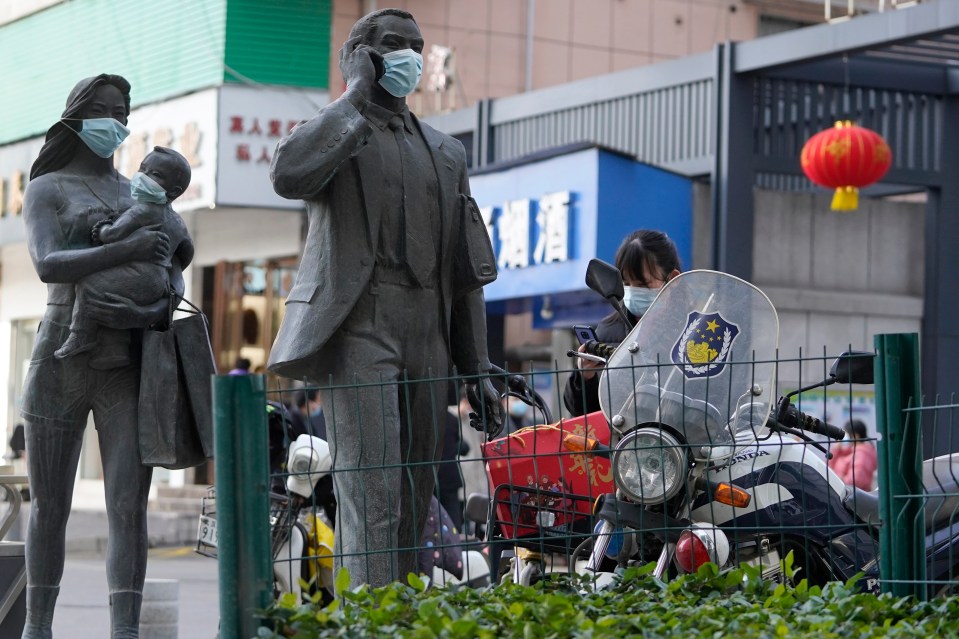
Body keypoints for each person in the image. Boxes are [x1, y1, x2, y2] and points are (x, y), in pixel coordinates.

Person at [267, 8, 502, 589]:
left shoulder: (447, 152)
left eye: (418, 46)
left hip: (427, 332)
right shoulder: (337, 132)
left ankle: (393, 618)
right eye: (395, 45)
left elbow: (466, 270)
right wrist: (353, 96)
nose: (412, 57)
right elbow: (288, 174)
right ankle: (365, 624)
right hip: (360, 326)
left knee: (412, 495)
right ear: (362, 55)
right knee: (370, 491)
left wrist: (476, 368)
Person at [20, 74, 180, 638]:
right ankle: (38, 626)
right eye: (106, 110)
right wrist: (127, 248)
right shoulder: (48, 188)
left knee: (129, 508)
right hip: (59, 362)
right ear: (78, 116)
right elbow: (48, 264)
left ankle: (125, 630)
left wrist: (142, 304)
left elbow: (172, 280)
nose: (117, 121)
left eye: (124, 111)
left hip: (128, 365)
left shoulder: (139, 192)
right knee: (49, 508)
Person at [53, 147, 193, 362]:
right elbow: (186, 253)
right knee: (113, 296)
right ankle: (115, 348)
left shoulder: (142, 210)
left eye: (154, 175)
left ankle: (81, 335)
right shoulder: (178, 222)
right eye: (142, 169)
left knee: (88, 285)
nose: (142, 177)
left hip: (140, 276)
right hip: (158, 282)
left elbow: (112, 234)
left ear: (173, 191)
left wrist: (101, 229)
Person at [563, 230, 682, 417]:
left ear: (672, 279)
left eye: (643, 284)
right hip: (621, 442)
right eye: (626, 283)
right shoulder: (607, 331)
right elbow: (581, 413)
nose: (633, 291)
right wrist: (585, 377)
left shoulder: (693, 330)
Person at [828, 419, 878, 491]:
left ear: (856, 436)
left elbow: (856, 481)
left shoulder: (862, 454)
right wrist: (836, 450)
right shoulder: (850, 451)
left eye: (846, 434)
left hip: (854, 498)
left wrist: (834, 479)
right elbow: (828, 467)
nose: (843, 437)